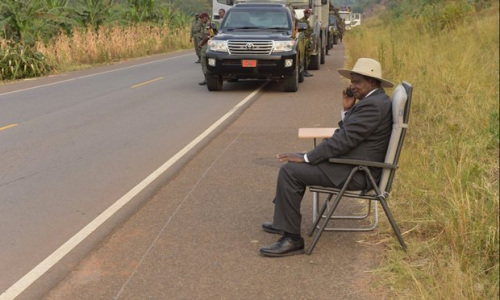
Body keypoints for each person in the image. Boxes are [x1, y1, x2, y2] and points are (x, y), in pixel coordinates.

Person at [258, 58, 394, 257]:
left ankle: (292, 239)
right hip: (353, 164)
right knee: (295, 163)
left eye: (357, 82)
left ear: (372, 82)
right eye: (352, 81)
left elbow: (343, 141)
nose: (352, 86)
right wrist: (347, 110)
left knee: (290, 171)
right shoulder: (375, 101)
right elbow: (349, 135)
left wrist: (307, 157)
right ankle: (283, 222)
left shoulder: (373, 106)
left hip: (357, 171)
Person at [197, 12, 213, 85]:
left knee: (204, 63)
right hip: (211, 45)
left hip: (206, 45)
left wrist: (201, 44)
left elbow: (206, 36)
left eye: (202, 18)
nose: (201, 20)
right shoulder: (212, 23)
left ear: (206, 18)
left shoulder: (208, 25)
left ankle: (207, 79)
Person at [300, 9, 313, 77]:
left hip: (307, 41)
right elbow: (304, 32)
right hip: (304, 41)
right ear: (304, 14)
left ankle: (306, 70)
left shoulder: (307, 22)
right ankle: (304, 71)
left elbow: (310, 30)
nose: (308, 15)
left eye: (309, 14)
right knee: (305, 56)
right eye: (307, 14)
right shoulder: (301, 21)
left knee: (307, 56)